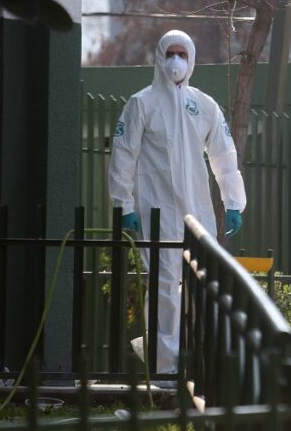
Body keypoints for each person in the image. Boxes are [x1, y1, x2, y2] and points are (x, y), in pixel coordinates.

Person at [109, 30, 247, 378]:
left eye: (182, 54)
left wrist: (233, 201)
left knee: (199, 285)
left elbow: (224, 156)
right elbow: (123, 157)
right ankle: (165, 369)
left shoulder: (204, 105)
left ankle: (194, 361)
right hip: (155, 211)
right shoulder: (141, 103)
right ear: (159, 56)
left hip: (196, 212)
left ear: (192, 59)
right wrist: (123, 206)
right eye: (170, 53)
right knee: (165, 286)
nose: (175, 60)